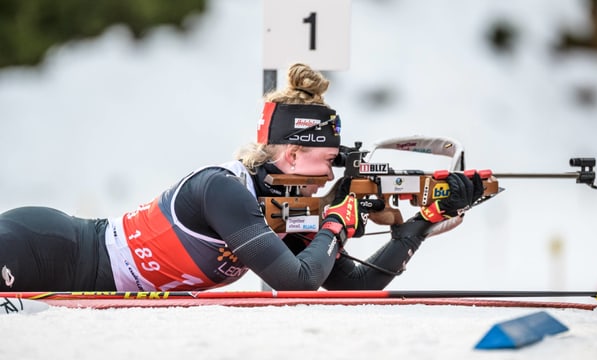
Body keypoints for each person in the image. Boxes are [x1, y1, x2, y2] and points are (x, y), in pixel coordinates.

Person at [0, 63, 483, 292]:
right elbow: (296, 282)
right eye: (328, 161)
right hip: (47, 247)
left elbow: (351, 285)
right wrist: (337, 222)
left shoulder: (285, 209)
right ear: (292, 154)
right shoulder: (223, 190)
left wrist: (418, 223)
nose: (332, 173)